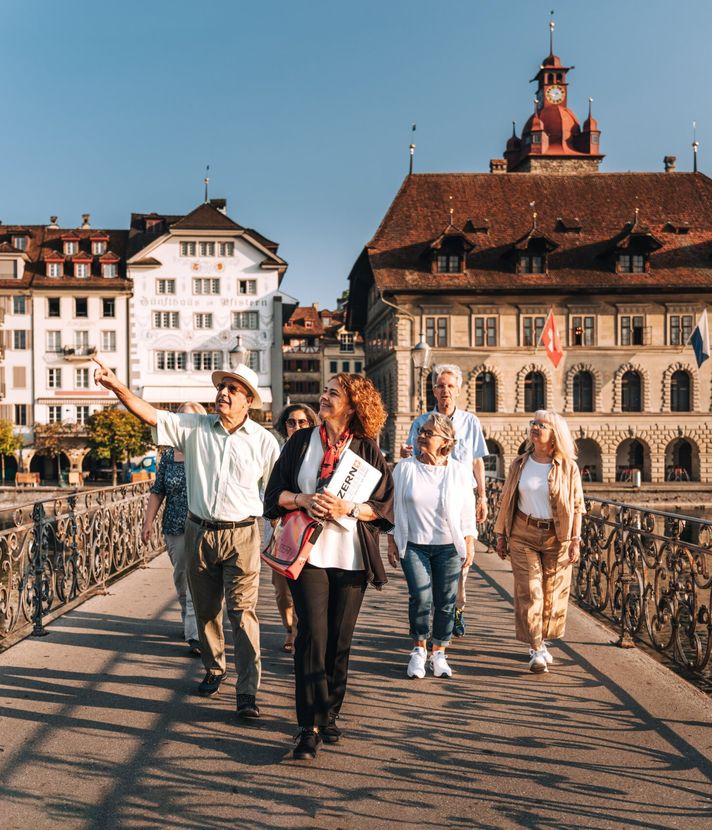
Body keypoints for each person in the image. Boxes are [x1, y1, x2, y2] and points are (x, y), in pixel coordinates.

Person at [93, 357, 279, 719]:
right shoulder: (194, 427)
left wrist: (274, 536)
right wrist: (117, 386)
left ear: (248, 401)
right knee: (207, 609)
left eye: (232, 389)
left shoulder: (264, 442)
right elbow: (150, 415)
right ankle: (214, 668)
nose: (223, 393)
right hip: (198, 531)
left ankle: (247, 691)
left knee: (242, 614)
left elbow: (273, 493)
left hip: (242, 534)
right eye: (221, 387)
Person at [264, 373, 394, 760]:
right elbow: (273, 496)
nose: (323, 397)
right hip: (308, 556)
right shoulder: (301, 442)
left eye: (333, 394)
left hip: (351, 557)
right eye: (324, 391)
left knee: (339, 642)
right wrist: (302, 499)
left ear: (353, 405)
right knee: (311, 638)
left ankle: (330, 710)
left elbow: (384, 509)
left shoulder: (368, 450)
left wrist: (347, 508)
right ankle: (309, 726)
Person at [494, 410, 584, 673]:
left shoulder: (568, 466)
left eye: (542, 425)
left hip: (558, 536)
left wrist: (575, 540)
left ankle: (542, 641)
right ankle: (535, 648)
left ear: (554, 433)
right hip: (523, 534)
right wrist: (501, 535)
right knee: (530, 592)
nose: (535, 427)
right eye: (533, 423)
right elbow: (507, 500)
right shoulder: (520, 463)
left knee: (551, 595)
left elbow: (578, 506)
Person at [401, 363, 487, 637]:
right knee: (427, 577)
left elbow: (476, 461)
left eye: (450, 386)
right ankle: (430, 624)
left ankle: (455, 611)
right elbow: (411, 455)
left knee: (460, 566)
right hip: (427, 501)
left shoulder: (470, 421)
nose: (445, 390)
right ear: (434, 390)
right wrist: (406, 453)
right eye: (440, 385)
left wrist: (482, 496)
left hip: (458, 499)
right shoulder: (421, 422)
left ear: (458, 390)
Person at [388, 413, 476, 679]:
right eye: (421, 432)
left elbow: (466, 510)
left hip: (448, 546)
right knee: (422, 597)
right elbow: (394, 509)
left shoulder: (459, 471)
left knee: (446, 601)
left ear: (445, 441)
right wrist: (392, 540)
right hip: (414, 545)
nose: (421, 436)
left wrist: (469, 542)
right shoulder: (405, 468)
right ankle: (418, 650)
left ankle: (439, 652)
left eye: (428, 433)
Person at [141, 401, 207, 657]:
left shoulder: (207, 452)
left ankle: (196, 634)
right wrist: (148, 522)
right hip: (174, 527)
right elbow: (158, 491)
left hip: (203, 526)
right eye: (181, 419)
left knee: (198, 581)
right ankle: (189, 620)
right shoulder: (168, 455)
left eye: (190, 420)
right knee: (182, 580)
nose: (185, 424)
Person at [270, 403, 319, 652]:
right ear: (284, 426)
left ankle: (301, 632)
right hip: (281, 529)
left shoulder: (319, 453)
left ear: (311, 424)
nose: (297, 426)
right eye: (292, 422)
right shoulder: (276, 452)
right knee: (282, 590)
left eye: (303, 422)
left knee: (308, 587)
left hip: (311, 531)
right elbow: (266, 491)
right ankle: (289, 627)